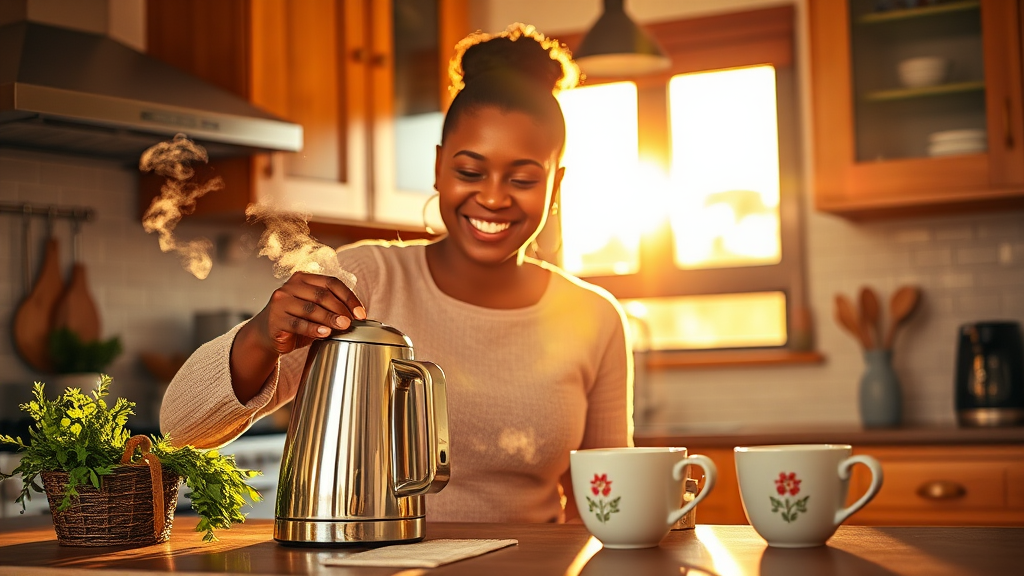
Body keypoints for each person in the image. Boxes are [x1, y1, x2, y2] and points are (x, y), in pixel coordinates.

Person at [160, 23, 633, 523]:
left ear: (555, 185)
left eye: (522, 179)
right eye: (470, 172)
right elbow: (180, 429)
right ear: (437, 166)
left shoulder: (594, 317)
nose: (493, 197)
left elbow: (608, 502)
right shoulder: (363, 277)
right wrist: (260, 336)